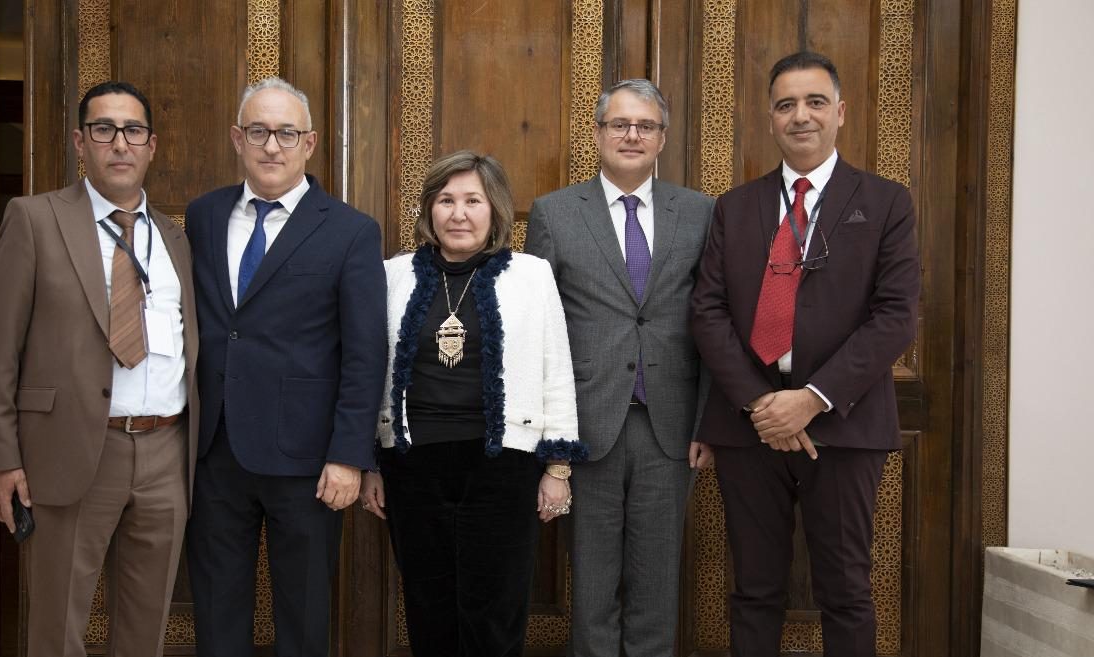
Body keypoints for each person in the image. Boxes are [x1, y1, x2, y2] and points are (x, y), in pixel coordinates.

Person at [690, 51, 920, 657]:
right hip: (751, 428)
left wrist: (811, 401)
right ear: (770, 119)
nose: (802, 116)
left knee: (845, 590)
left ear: (840, 113)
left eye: (815, 102)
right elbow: (707, 312)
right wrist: (765, 402)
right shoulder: (734, 207)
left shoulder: (887, 202)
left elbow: (896, 317)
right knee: (754, 590)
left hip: (843, 429)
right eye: (787, 105)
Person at [0, 81, 198, 657]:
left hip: (164, 451)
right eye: (104, 129)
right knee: (58, 628)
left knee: (145, 630)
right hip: (70, 449)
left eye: (134, 131)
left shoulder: (176, 238)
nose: (119, 143)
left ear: (152, 146)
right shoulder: (33, 219)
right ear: (80, 142)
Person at [183, 76, 387, 657]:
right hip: (215, 453)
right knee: (218, 610)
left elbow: (365, 353)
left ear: (311, 143)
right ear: (237, 139)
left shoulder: (350, 231)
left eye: (286, 133)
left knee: (302, 617)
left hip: (308, 462)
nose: (271, 146)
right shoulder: (202, 216)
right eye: (258, 131)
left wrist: (349, 455)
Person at [359, 150, 585, 657]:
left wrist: (558, 467)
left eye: (472, 200)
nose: (458, 213)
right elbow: (371, 372)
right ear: (429, 210)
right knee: (427, 605)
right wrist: (371, 462)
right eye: (446, 200)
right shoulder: (392, 275)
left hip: (503, 467)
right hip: (412, 466)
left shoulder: (531, 275)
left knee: (495, 610)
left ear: (495, 209)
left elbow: (556, 368)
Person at [524, 79, 715, 657]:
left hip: (671, 425)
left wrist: (708, 422)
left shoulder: (701, 212)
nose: (632, 134)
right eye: (620, 124)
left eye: (646, 126)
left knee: (658, 581)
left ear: (663, 137)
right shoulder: (556, 214)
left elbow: (714, 320)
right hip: (586, 425)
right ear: (599, 133)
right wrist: (547, 434)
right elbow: (538, 327)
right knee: (592, 581)